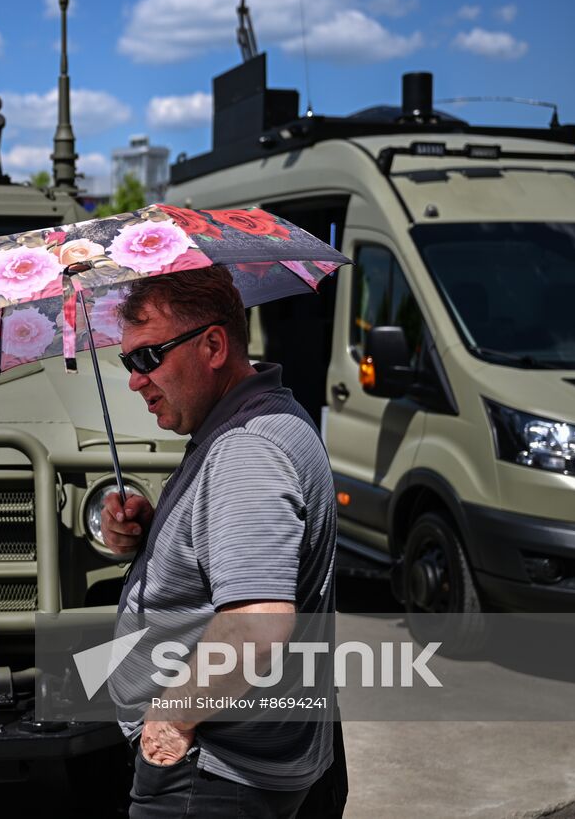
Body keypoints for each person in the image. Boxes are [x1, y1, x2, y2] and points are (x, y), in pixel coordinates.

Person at [101, 265, 346, 818]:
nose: (136, 380)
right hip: (249, 757)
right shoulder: (264, 418)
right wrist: (153, 531)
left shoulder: (246, 450)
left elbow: (258, 623)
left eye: (147, 357)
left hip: (213, 771)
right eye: (127, 361)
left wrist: (170, 719)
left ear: (212, 345)